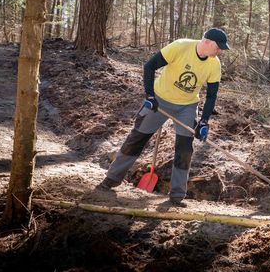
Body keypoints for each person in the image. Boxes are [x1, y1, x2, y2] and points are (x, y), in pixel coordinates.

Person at [98, 28, 229, 205]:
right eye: (218, 47)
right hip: (160, 101)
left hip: (187, 106)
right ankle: (111, 179)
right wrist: (150, 96)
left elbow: (212, 95)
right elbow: (149, 66)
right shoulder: (180, 47)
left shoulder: (214, 63)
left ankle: (176, 196)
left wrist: (204, 121)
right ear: (207, 42)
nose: (219, 51)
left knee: (184, 149)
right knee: (137, 138)